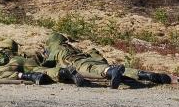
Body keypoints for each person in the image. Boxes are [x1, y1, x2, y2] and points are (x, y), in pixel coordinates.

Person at [42, 33, 172, 88]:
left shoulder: (56, 50)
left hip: (80, 64)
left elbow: (46, 65)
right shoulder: (72, 47)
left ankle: (110, 71)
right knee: (120, 71)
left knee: (94, 70)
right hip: (91, 59)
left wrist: (44, 57)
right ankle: (145, 74)